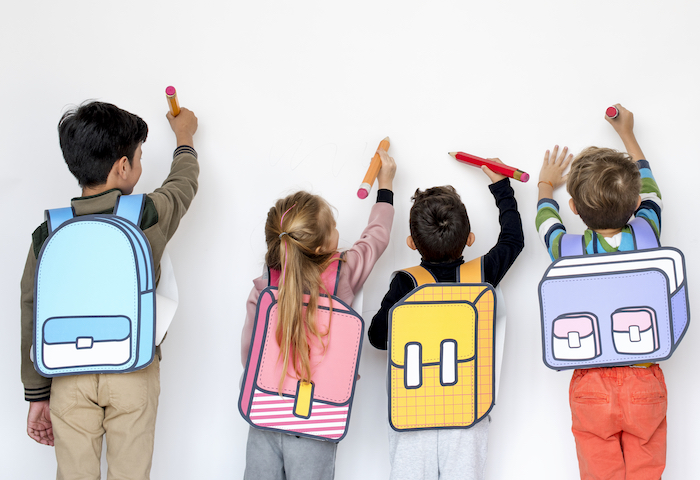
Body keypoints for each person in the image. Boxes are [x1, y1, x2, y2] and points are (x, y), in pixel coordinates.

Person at [20, 100, 199, 479]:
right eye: (139, 157)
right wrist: (184, 136)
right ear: (123, 167)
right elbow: (183, 184)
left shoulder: (48, 232)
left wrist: (37, 393)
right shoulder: (146, 215)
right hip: (133, 369)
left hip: (68, 375)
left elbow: (31, 309)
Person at [240, 149, 397, 480]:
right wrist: (385, 186)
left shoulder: (265, 285)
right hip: (316, 415)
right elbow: (376, 238)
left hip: (266, 412)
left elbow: (249, 355)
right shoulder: (343, 273)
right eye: (334, 227)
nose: (339, 230)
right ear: (322, 247)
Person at [368, 160, 524, 480]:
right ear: (470, 238)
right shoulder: (481, 276)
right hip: (468, 411)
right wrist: (501, 186)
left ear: (412, 243)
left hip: (412, 413)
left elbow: (377, 338)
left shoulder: (406, 283)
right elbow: (513, 240)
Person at [535, 104, 666, 480]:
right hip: (643, 377)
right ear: (636, 205)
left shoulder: (567, 250)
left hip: (591, 381)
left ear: (574, 208)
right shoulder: (646, 234)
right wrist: (627, 134)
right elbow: (652, 192)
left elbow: (546, 221)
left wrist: (545, 185)